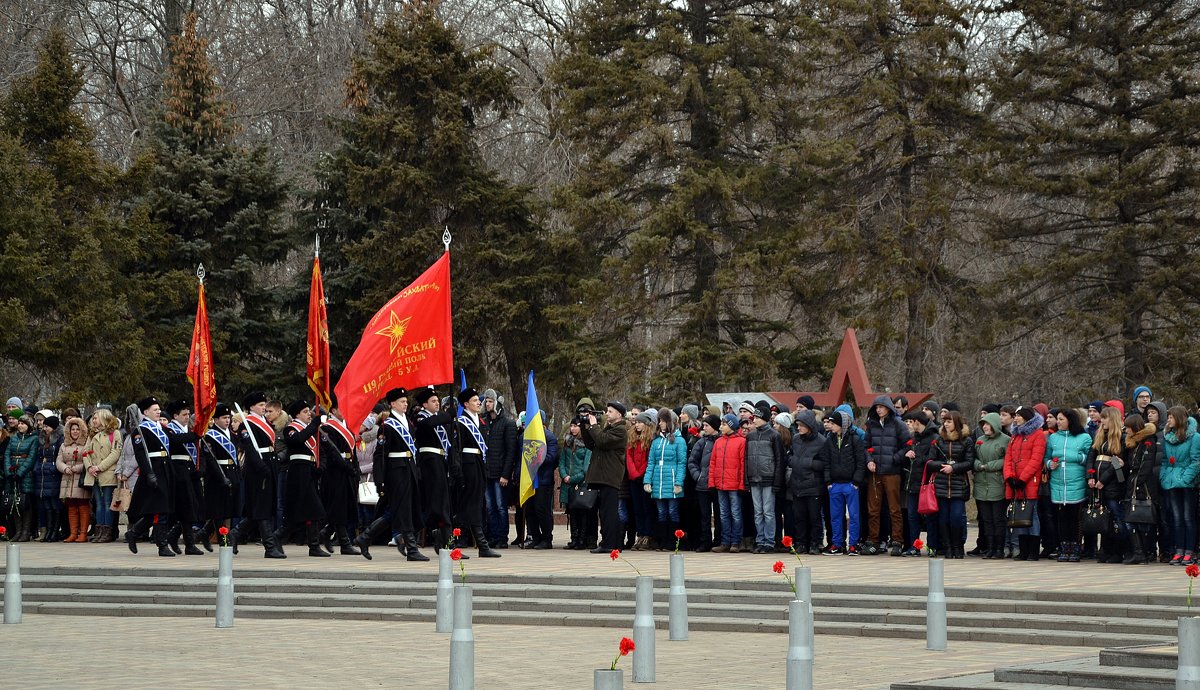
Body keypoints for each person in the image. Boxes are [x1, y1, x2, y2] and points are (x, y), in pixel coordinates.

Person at [355, 388, 426, 561]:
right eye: (402, 401)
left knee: (398, 510)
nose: (405, 403)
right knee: (402, 509)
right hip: (396, 472)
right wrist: (380, 480)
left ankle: (365, 537)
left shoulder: (407, 421)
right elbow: (380, 455)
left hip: (408, 469)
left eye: (406, 401)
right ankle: (412, 549)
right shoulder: (388, 425)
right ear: (392, 404)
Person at [229, 391, 286, 559]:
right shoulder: (246, 425)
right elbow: (249, 449)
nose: (264, 408)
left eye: (264, 405)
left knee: (262, 507)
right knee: (262, 507)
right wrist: (261, 467)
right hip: (257, 467)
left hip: (269, 462)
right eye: (261, 405)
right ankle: (269, 546)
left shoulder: (264, 422)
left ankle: (235, 533)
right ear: (252, 407)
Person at [449, 388, 501, 558]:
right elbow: (456, 449)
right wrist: (458, 472)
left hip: (479, 465)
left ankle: (481, 545)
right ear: (465, 404)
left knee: (476, 505)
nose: (479, 403)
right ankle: (448, 537)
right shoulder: (460, 422)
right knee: (468, 506)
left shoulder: (482, 422)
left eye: (479, 400)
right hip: (467, 466)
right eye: (474, 401)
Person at [125, 398, 176, 556]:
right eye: (155, 409)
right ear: (145, 412)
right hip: (153, 472)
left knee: (155, 510)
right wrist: (149, 473)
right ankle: (162, 545)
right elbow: (140, 455)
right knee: (160, 510)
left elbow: (175, 440)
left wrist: (195, 434)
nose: (159, 412)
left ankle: (133, 534)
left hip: (165, 469)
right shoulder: (140, 431)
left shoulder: (161, 428)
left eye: (159, 409)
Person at [864, 395, 911, 556]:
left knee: (894, 509)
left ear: (888, 408)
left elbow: (908, 446)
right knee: (873, 509)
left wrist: (894, 459)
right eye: (876, 407)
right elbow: (865, 446)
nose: (879, 409)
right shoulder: (871, 424)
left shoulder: (898, 424)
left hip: (892, 472)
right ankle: (873, 541)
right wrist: (869, 460)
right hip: (875, 473)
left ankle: (897, 541)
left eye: (881, 407)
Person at [582, 400, 628, 554]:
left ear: (619, 414)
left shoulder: (621, 430)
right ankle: (609, 542)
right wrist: (585, 426)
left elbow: (601, 440)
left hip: (610, 475)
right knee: (604, 511)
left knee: (609, 511)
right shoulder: (609, 428)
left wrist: (594, 426)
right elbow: (592, 444)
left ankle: (611, 543)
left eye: (610, 411)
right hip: (602, 475)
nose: (607, 413)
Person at [412, 386, 455, 551]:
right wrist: (447, 415)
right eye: (433, 401)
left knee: (444, 503)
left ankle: (445, 542)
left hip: (440, 460)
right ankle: (435, 537)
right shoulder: (420, 417)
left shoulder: (438, 418)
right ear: (424, 404)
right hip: (429, 462)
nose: (437, 404)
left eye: (438, 401)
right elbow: (428, 425)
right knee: (436, 503)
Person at [926, 411, 973, 559]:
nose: (946, 424)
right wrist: (943, 465)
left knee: (956, 517)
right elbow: (930, 461)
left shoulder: (966, 441)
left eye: (949, 421)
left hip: (959, 485)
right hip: (941, 485)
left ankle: (958, 547)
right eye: (944, 421)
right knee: (943, 518)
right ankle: (947, 548)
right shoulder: (939, 440)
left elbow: (969, 462)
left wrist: (954, 467)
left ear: (957, 423)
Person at [318, 399, 362, 556]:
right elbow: (332, 453)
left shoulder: (346, 427)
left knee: (344, 506)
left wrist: (355, 468)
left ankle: (326, 532)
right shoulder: (327, 428)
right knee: (339, 506)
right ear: (334, 410)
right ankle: (344, 543)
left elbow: (352, 451)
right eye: (342, 409)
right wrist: (348, 468)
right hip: (336, 471)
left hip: (348, 469)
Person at [820, 410, 867, 555]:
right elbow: (826, 461)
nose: (830, 426)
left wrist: (856, 481)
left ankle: (853, 544)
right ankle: (838, 544)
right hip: (834, 484)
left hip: (850, 484)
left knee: (853, 516)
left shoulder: (855, 439)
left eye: (833, 423)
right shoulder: (830, 439)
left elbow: (861, 461)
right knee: (835, 516)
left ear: (842, 425)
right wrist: (828, 481)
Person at [1087, 406, 1129, 562]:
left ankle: (1118, 551)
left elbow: (1116, 462)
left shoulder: (1121, 437)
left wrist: (1102, 480)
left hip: (1112, 485)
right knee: (1103, 519)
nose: (1101, 420)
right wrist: (1089, 476)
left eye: (1105, 418)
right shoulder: (1099, 435)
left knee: (1116, 518)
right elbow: (1091, 455)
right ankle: (1105, 549)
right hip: (1097, 484)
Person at [1004, 406, 1046, 561]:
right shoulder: (1015, 436)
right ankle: (1023, 549)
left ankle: (1033, 550)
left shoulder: (1038, 435)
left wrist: (1022, 478)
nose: (1015, 418)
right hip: (1015, 481)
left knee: (1032, 515)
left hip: (1029, 481)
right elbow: (1008, 458)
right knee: (1019, 514)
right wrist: (1009, 477)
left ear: (1027, 417)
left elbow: (1036, 460)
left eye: (1018, 416)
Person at [163, 400, 204, 555]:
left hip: (190, 470)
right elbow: (175, 440)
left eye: (188, 414)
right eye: (184, 414)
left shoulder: (189, 429)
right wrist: (194, 435)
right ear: (175, 416)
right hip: (178, 471)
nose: (187, 417)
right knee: (184, 508)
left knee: (192, 507)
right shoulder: (170, 428)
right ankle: (187, 543)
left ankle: (174, 536)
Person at [1161, 406, 1200, 566]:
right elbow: (1164, 460)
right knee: (1176, 518)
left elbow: (1196, 461)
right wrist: (1165, 477)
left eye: (1171, 417)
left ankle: (1189, 551)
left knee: (1188, 517)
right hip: (1171, 481)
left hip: (1186, 482)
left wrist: (1185, 479)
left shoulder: (1195, 437)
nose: (1168, 420)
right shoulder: (1167, 437)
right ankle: (1178, 550)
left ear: (1179, 418)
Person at [644, 408, 687, 552]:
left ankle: (672, 541)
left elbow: (682, 463)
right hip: (659, 480)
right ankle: (662, 541)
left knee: (672, 511)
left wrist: (679, 483)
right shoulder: (656, 441)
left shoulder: (679, 441)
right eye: (659, 421)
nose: (660, 424)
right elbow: (651, 462)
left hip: (672, 481)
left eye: (662, 421)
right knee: (661, 512)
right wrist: (647, 480)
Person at [197, 404, 239, 551]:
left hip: (231, 472)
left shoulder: (232, 435)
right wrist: (221, 477)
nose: (227, 421)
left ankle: (205, 532)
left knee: (228, 509)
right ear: (215, 419)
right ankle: (224, 540)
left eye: (229, 418)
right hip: (217, 475)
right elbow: (211, 459)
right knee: (218, 509)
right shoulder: (210, 436)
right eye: (223, 418)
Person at [744, 406, 785, 554]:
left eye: (757, 417)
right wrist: (747, 479)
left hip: (768, 478)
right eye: (754, 417)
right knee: (758, 512)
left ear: (765, 418)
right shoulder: (750, 436)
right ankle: (760, 540)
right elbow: (746, 459)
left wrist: (777, 481)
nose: (754, 419)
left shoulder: (774, 435)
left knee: (768, 512)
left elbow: (780, 460)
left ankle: (769, 541)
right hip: (754, 478)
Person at [480, 389, 517, 549]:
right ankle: (493, 536)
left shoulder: (507, 423)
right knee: (489, 506)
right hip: (487, 472)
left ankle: (502, 537)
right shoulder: (483, 422)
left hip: (500, 474)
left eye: (490, 401)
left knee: (501, 506)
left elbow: (511, 451)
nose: (487, 404)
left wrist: (505, 474)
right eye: (486, 401)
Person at [1120, 413, 1159, 564]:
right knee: (1131, 519)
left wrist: (1136, 483)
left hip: (1142, 485)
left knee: (1141, 519)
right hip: (1133, 483)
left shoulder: (1148, 441)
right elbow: (1133, 464)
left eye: (1128, 428)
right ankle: (1138, 551)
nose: (1126, 431)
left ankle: (1144, 552)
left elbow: (1146, 466)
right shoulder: (1133, 443)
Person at [787, 410, 826, 555]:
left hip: (813, 485)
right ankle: (801, 543)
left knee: (814, 517)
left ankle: (815, 543)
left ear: (809, 425)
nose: (798, 428)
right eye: (797, 425)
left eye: (801, 425)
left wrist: (807, 463)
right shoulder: (796, 439)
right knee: (799, 517)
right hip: (797, 484)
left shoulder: (821, 441)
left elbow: (824, 463)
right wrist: (793, 461)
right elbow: (790, 455)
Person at [973, 412, 1010, 559]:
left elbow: (1007, 459)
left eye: (988, 424)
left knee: (998, 519)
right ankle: (989, 548)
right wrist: (978, 465)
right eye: (983, 425)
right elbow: (973, 458)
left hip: (997, 484)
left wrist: (988, 466)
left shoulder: (1006, 440)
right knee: (986, 519)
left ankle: (999, 548)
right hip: (981, 484)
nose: (985, 427)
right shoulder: (979, 440)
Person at [902, 410, 939, 555]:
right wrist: (908, 455)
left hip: (927, 484)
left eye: (912, 422)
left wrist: (916, 457)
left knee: (930, 517)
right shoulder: (914, 438)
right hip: (912, 482)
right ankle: (915, 546)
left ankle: (931, 546)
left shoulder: (934, 438)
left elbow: (931, 459)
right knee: (912, 516)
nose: (910, 425)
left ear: (918, 422)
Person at [83, 408, 122, 543]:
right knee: (98, 504)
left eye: (96, 418)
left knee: (107, 503)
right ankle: (99, 531)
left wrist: (99, 467)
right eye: (93, 418)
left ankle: (108, 531)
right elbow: (85, 452)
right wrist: (89, 467)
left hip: (107, 474)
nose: (93, 420)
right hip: (94, 474)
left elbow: (115, 454)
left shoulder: (115, 433)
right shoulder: (92, 435)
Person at [709, 414, 746, 552]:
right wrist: (712, 483)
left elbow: (743, 465)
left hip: (734, 485)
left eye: (724, 424)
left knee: (736, 513)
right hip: (721, 484)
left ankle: (736, 542)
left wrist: (742, 485)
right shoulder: (718, 441)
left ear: (731, 425)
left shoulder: (741, 442)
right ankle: (725, 542)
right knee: (723, 514)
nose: (720, 427)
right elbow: (713, 463)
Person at [523, 410, 560, 550]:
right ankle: (535, 537)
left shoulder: (549, 437)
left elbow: (551, 458)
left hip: (543, 480)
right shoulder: (525, 437)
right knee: (530, 510)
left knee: (541, 509)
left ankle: (546, 538)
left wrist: (535, 458)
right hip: (529, 479)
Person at [559, 416, 593, 550]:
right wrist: (564, 475)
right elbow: (562, 461)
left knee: (582, 513)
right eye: (571, 426)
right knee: (571, 511)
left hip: (580, 483)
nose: (572, 428)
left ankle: (582, 539)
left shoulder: (587, 444)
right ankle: (574, 538)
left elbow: (586, 468)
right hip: (568, 482)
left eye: (576, 426)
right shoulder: (567, 442)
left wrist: (572, 478)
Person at [687, 415, 720, 552]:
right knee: (705, 515)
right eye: (704, 425)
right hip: (703, 485)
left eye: (707, 426)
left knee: (719, 514)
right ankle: (705, 541)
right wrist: (698, 476)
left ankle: (719, 540)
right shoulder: (701, 442)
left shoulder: (721, 441)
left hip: (718, 484)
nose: (704, 428)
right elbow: (692, 461)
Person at [55, 417, 90, 543]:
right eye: (72, 429)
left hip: (80, 478)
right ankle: (73, 533)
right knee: (71, 506)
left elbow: (88, 459)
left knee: (83, 505)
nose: (75, 432)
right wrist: (65, 468)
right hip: (67, 478)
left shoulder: (86, 443)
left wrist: (77, 468)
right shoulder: (64, 445)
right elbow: (59, 461)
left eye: (77, 429)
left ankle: (83, 533)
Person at [625, 411, 655, 550]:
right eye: (636, 422)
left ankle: (648, 535)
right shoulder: (632, 438)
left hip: (645, 477)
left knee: (647, 508)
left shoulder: (650, 440)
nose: (637, 425)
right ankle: (640, 533)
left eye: (640, 422)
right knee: (637, 508)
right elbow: (629, 457)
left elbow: (649, 459)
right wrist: (633, 472)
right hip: (633, 478)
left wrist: (639, 473)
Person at [34, 415, 62, 541]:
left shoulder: (59, 439)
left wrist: (52, 468)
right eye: (44, 426)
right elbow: (39, 456)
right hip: (42, 475)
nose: (44, 428)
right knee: (46, 504)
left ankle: (54, 531)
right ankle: (49, 530)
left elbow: (58, 457)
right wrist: (38, 468)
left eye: (47, 426)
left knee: (54, 504)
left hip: (52, 475)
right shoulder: (42, 439)